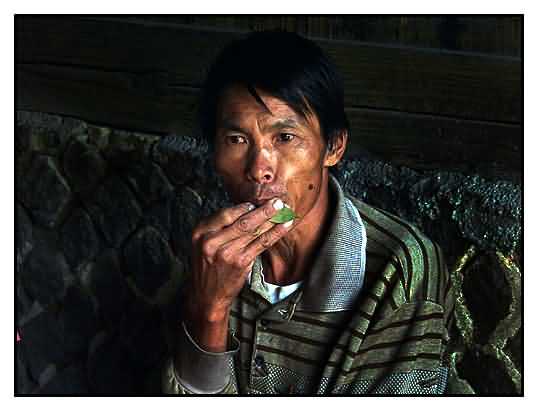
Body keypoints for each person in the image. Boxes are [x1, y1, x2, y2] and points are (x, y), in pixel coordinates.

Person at [162, 30, 454, 395]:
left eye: (285, 138)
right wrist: (211, 310)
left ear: (333, 147)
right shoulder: (216, 256)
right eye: (237, 140)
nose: (259, 169)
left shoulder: (399, 267)